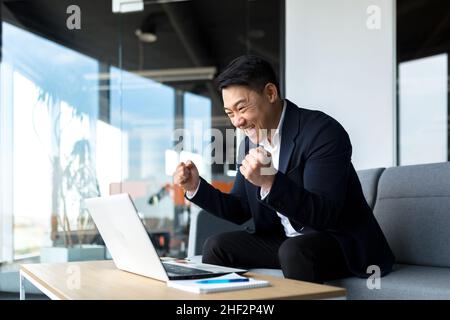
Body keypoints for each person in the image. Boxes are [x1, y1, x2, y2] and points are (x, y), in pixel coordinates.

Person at [173, 55, 394, 283]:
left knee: (294, 251)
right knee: (217, 246)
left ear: (270, 93)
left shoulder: (322, 132)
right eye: (230, 113)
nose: (237, 121)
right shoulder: (249, 144)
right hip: (286, 241)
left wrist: (270, 182)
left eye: (242, 108)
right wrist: (195, 187)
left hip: (339, 241)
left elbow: (324, 215)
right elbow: (240, 209)